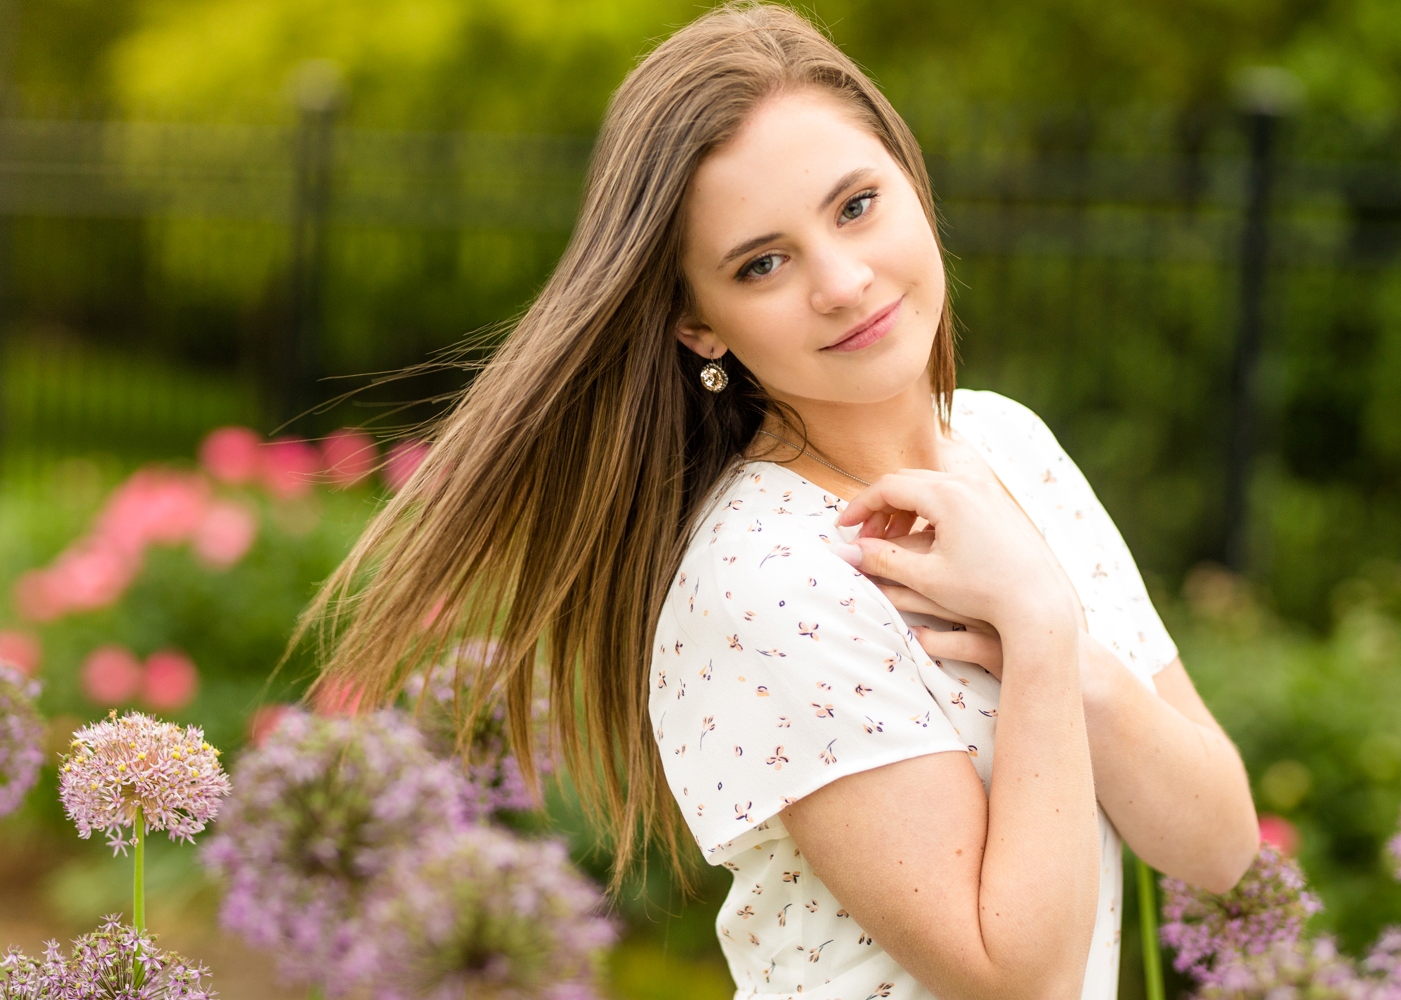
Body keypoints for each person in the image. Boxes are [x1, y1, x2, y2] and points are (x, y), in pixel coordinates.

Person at [303, 4, 1260, 999]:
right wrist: (1035, 626)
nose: (843, 282)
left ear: (908, 174)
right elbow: (1019, 979)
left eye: (855, 205)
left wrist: (1057, 649)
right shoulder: (768, 576)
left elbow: (1224, 844)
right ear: (699, 325)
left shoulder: (1011, 444)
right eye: (763, 264)